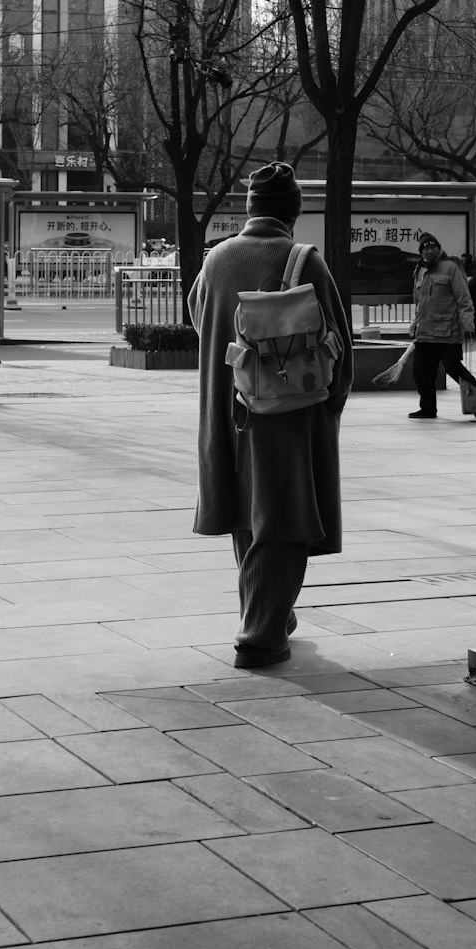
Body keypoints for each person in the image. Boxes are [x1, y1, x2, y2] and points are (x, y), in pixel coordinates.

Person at [188, 163, 353, 669]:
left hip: (227, 409)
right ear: (293, 211)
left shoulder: (216, 260)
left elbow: (200, 318)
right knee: (283, 514)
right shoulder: (304, 261)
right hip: (287, 413)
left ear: (250, 208)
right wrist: (331, 406)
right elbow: (338, 348)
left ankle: (273, 615)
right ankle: (259, 635)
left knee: (246, 510)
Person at [408, 232, 476, 420]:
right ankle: (428, 408)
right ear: (421, 252)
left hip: (448, 331)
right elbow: (419, 302)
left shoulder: (451, 267)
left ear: (439, 248)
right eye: (425, 248)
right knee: (421, 371)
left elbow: (464, 298)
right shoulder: (420, 270)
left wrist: (468, 323)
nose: (429, 251)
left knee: (453, 368)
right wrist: (414, 324)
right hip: (425, 332)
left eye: (432, 247)